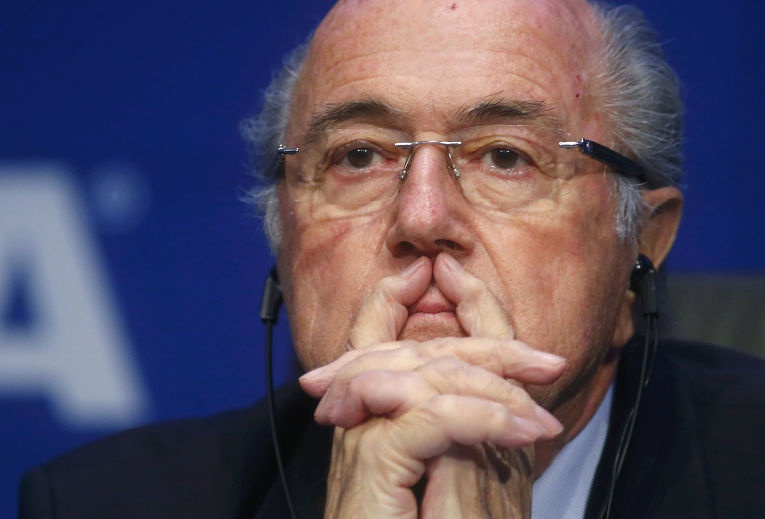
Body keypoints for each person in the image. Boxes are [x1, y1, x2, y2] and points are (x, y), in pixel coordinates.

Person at [18, 0, 765, 518]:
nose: (422, 217)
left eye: (505, 156)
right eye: (359, 156)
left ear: (643, 243)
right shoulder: (103, 503)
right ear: (284, 235)